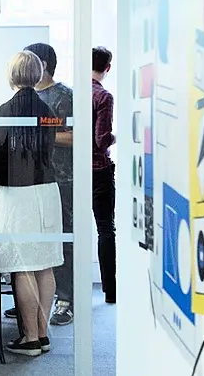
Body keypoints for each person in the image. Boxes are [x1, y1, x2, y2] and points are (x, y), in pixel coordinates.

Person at [0, 50, 62, 357]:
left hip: (19, 194)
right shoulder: (46, 107)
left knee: (22, 264)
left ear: (12, 74)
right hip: (47, 190)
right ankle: (42, 334)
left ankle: (28, 337)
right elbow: (48, 148)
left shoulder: (6, 109)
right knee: (45, 263)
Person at [23, 43, 76, 326]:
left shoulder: (63, 96)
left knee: (64, 239)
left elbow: (74, 137)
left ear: (42, 64)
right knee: (38, 241)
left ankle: (66, 300)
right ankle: (34, 301)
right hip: (35, 180)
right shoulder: (28, 96)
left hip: (62, 179)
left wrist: (39, 135)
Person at [91, 46, 117, 304]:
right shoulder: (103, 96)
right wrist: (116, 137)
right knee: (105, 229)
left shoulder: (75, 94)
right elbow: (101, 140)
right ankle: (110, 290)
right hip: (99, 170)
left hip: (75, 171)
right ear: (107, 68)